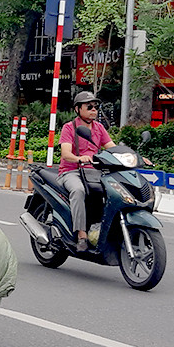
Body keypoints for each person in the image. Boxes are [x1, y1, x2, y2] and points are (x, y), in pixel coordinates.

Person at [58, 91, 116, 252]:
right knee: (78, 191)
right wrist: (79, 158)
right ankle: (82, 235)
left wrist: (133, 156)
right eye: (89, 107)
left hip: (94, 173)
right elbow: (66, 154)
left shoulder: (99, 128)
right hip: (71, 172)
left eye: (95, 107)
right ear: (77, 109)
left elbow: (112, 147)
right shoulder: (69, 128)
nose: (94, 110)